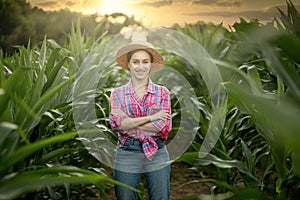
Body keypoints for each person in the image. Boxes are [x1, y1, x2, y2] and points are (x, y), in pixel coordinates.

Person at [109, 40, 172, 200]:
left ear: (151, 65)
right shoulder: (117, 93)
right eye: (135, 61)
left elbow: (162, 126)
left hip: (157, 151)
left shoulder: (163, 93)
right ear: (129, 65)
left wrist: (130, 122)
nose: (140, 66)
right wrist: (152, 117)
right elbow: (117, 124)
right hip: (126, 152)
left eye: (145, 61)